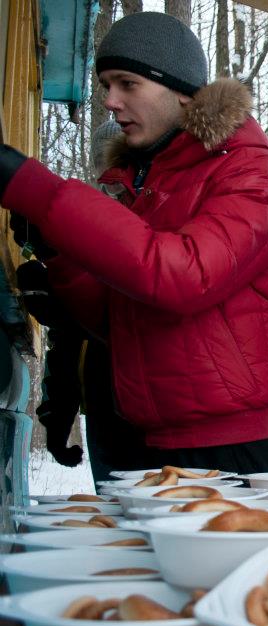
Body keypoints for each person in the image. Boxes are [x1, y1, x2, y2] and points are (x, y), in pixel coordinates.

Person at [0, 12, 268, 473]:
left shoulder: (250, 172)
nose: (111, 102)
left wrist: (44, 195)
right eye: (105, 86)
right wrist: (62, 256)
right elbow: (117, 318)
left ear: (179, 88)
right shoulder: (149, 182)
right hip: (154, 437)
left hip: (231, 447)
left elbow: (182, 276)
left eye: (127, 84)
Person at [13, 120, 150, 483]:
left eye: (119, 162)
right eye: (101, 164)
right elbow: (70, 337)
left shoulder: (153, 220)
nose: (108, 174)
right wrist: (56, 417)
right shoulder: (80, 224)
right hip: (103, 403)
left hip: (154, 403)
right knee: (115, 507)